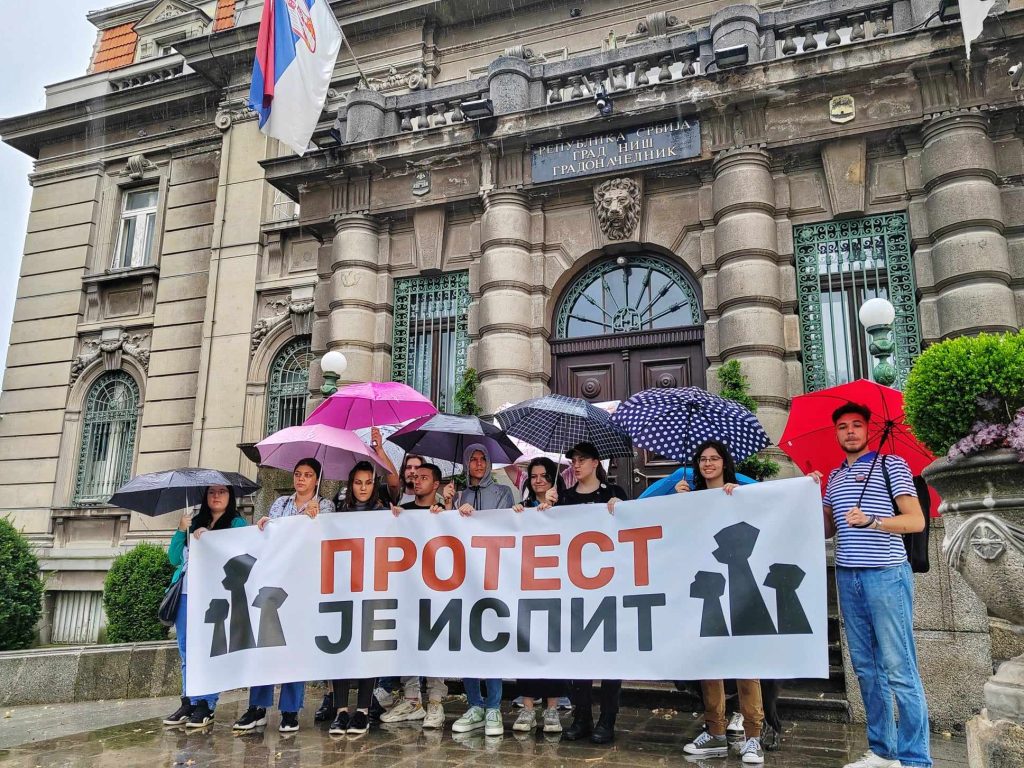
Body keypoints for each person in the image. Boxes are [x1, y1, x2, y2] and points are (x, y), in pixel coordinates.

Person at [812, 403, 930, 768]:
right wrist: (812, 494)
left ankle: (915, 759)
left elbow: (915, 521)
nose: (849, 431)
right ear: (836, 433)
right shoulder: (835, 476)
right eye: (843, 426)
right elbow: (829, 528)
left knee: (899, 666)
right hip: (848, 576)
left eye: (856, 425)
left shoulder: (890, 464)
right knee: (865, 668)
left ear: (868, 430)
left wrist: (874, 522)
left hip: (886, 574)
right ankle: (883, 751)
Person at [677, 440, 765, 765]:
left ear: (724, 463)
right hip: (708, 586)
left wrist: (739, 499)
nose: (708, 464)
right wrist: (681, 503)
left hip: (740, 588)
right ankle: (714, 732)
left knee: (745, 661)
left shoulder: (738, 492)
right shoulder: (690, 496)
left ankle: (753, 736)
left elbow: (766, 517)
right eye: (703, 459)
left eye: (714, 458)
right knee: (709, 662)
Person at [233, 458, 334, 733]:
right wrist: (266, 524)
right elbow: (271, 537)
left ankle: (290, 710)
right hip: (275, 583)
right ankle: (257, 707)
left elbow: (327, 540)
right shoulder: (280, 505)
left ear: (317, 480)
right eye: (298, 474)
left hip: (304, 584)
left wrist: (316, 521)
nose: (301, 479)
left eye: (308, 475)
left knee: (294, 647)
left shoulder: (325, 506)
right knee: (265, 643)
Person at [546, 441, 627, 745]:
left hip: (607, 588)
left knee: (608, 658)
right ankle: (582, 717)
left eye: (581, 460)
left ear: (596, 463)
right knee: (576, 656)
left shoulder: (614, 495)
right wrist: (547, 508)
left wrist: (623, 511)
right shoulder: (563, 498)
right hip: (572, 588)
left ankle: (607, 720)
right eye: (573, 461)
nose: (575, 465)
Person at [444, 444, 515, 738]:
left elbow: (507, 525)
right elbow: (445, 534)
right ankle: (475, 704)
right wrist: (448, 506)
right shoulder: (456, 494)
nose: (477, 463)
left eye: (482, 459)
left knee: (492, 639)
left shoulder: (503, 493)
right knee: (467, 640)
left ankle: (494, 706)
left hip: (493, 576)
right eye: (472, 459)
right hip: (463, 579)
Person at [162, 485, 247, 728]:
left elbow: (239, 554)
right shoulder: (193, 521)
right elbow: (174, 558)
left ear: (230, 497)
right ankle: (189, 699)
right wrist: (182, 530)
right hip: (187, 594)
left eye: (222, 492)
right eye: (211, 492)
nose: (216, 496)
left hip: (216, 597)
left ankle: (207, 703)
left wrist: (210, 539)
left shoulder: (237, 523)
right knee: (187, 650)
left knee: (211, 649)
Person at [382, 462, 448, 728]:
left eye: (424, 477)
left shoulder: (444, 513)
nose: (416, 480)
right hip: (407, 589)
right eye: (415, 476)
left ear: (436, 485)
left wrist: (446, 516)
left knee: (434, 644)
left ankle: (435, 702)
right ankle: (411, 700)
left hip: (435, 591)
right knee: (408, 641)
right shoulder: (403, 512)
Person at [323, 461, 386, 736]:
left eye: (368, 482)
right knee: (339, 647)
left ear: (374, 485)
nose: (362, 488)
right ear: (351, 484)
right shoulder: (339, 511)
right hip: (342, 588)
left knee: (367, 648)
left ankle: (362, 711)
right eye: (358, 482)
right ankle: (340, 711)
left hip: (372, 587)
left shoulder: (383, 512)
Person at [510, 456, 567, 734]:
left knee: (551, 646)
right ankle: (529, 709)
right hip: (527, 587)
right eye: (533, 476)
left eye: (544, 475)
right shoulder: (523, 508)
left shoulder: (565, 506)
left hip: (555, 587)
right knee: (526, 645)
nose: (539, 480)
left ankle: (552, 709)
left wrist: (557, 510)